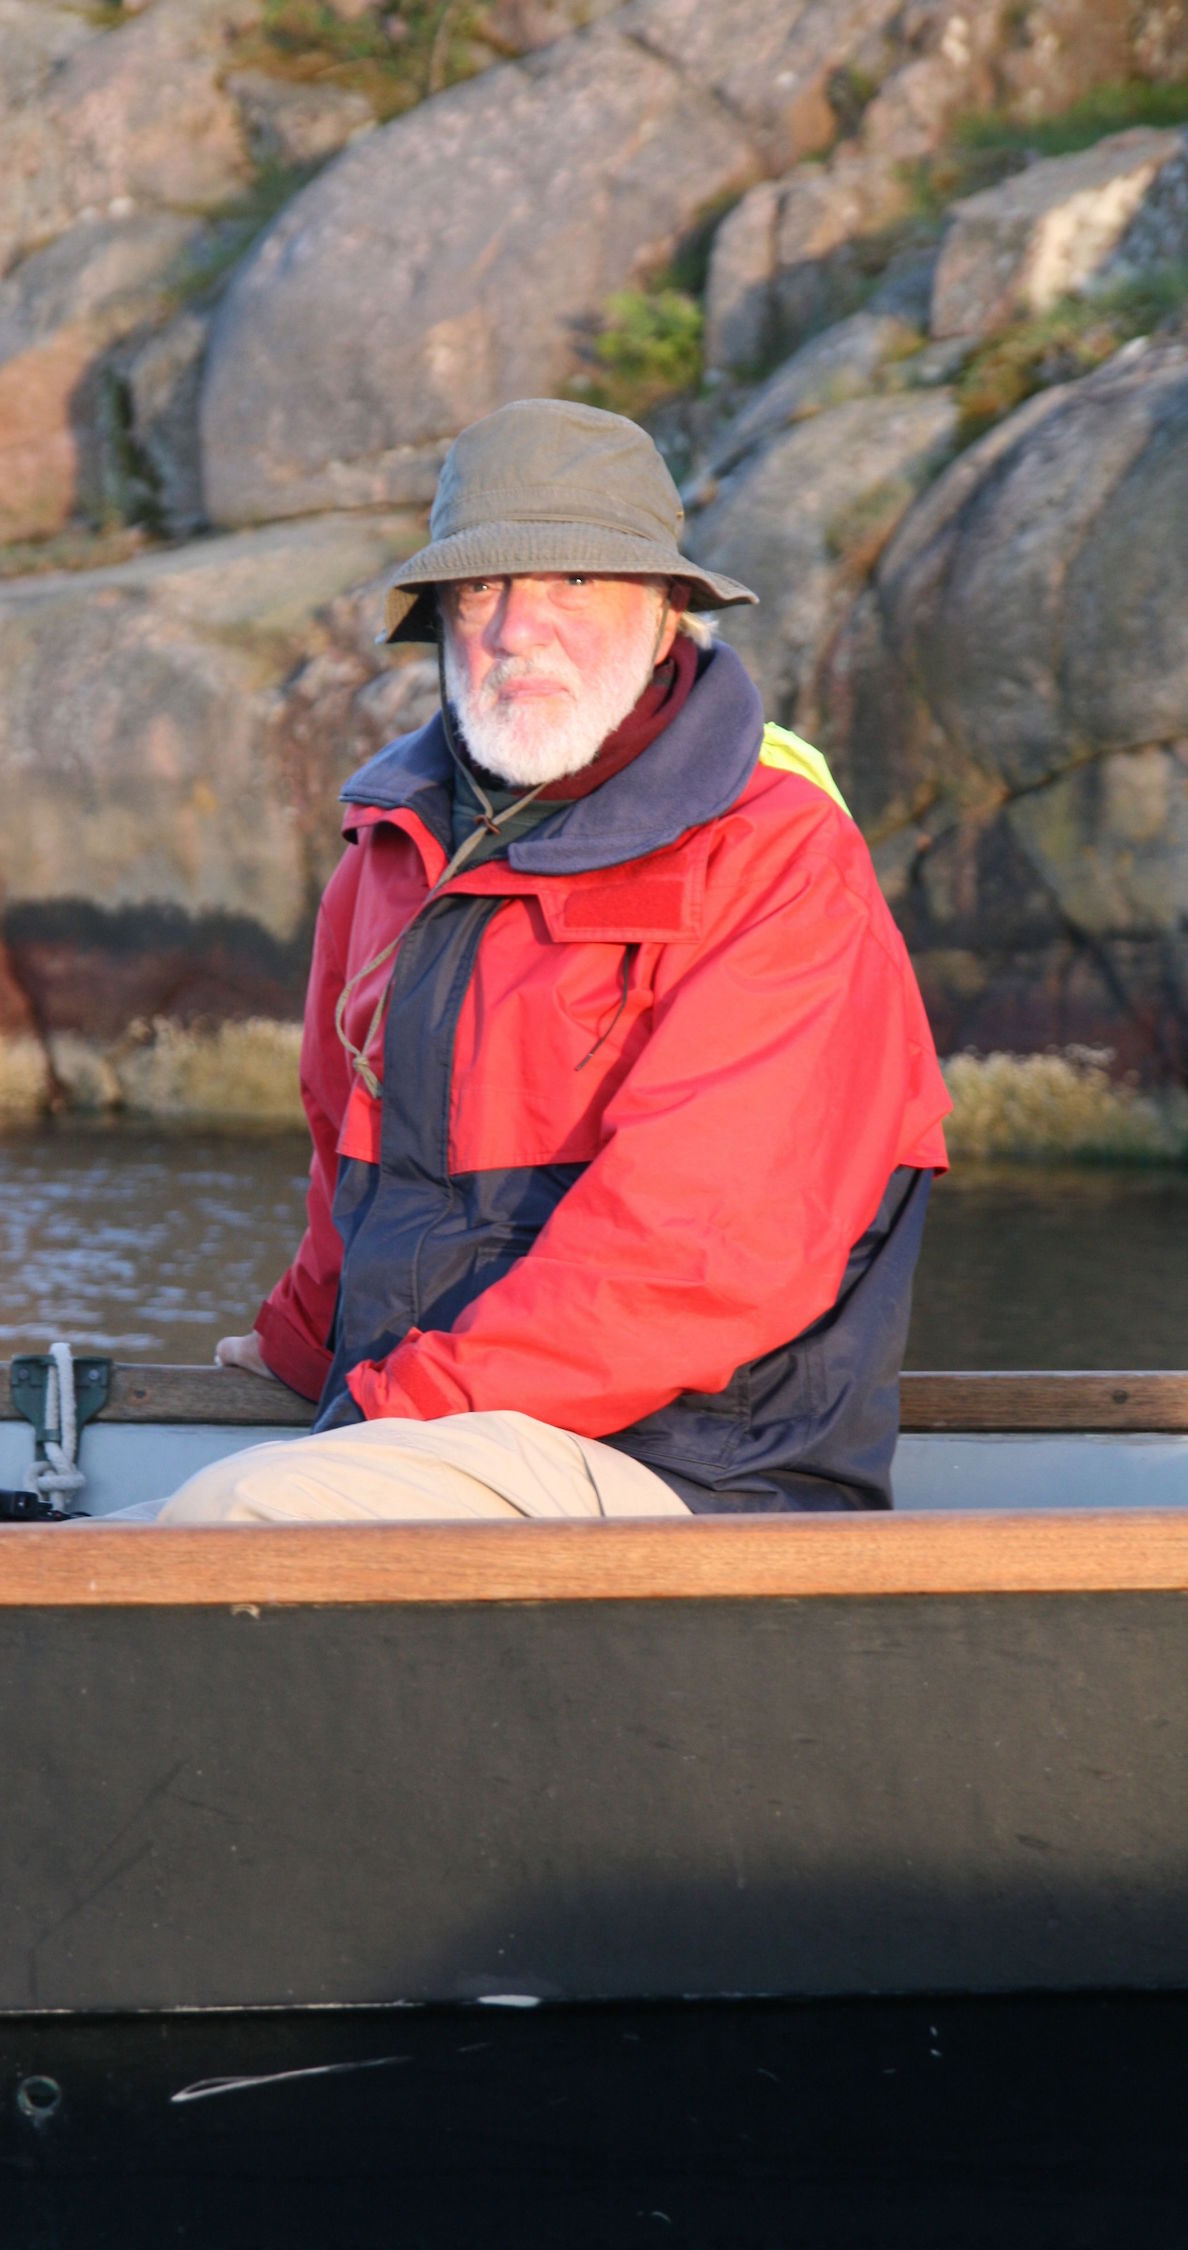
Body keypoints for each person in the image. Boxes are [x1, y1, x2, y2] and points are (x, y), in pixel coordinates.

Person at [158, 398, 950, 1524]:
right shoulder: (393, 846)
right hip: (427, 1436)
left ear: (667, 611)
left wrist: (383, 1415)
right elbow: (355, 1167)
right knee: (89, 1531)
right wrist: (299, 1346)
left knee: (229, 1521)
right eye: (482, 587)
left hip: (697, 1476)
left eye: (573, 579)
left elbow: (691, 1262)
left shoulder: (779, 857)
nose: (517, 629)